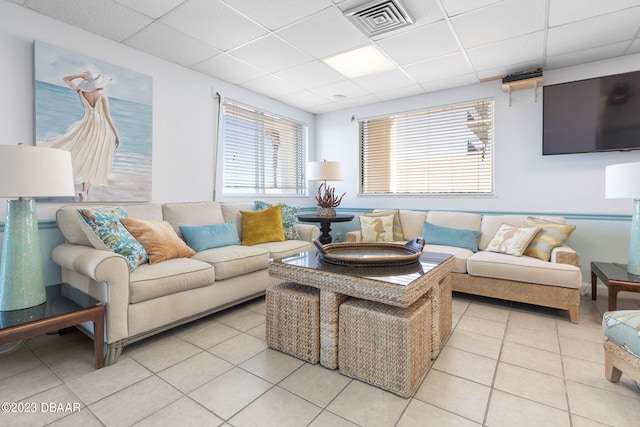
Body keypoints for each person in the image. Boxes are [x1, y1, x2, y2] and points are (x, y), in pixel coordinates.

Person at [40, 72, 120, 201]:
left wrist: (81, 76)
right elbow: (107, 116)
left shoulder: (82, 93)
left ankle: (85, 191)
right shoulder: (103, 97)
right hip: (100, 128)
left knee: (84, 154)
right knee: (92, 158)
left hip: (86, 124)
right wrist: (116, 135)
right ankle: (85, 191)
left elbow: (65, 78)